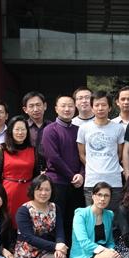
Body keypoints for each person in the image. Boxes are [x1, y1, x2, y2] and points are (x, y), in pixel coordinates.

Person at [15, 175, 75, 258]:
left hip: (47, 250)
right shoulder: (24, 210)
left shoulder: (55, 208)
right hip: (28, 252)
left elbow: (59, 231)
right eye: (39, 189)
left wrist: (60, 246)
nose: (43, 193)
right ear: (33, 190)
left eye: (47, 189)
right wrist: (55, 247)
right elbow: (29, 238)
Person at [41, 95, 85, 244]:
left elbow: (85, 155)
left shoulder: (79, 130)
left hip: (78, 183)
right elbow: (53, 157)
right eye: (63, 106)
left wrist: (81, 174)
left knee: (75, 220)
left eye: (70, 106)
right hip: (57, 183)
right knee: (58, 220)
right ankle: (59, 251)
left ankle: (75, 253)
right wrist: (72, 176)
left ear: (75, 108)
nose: (67, 109)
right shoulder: (50, 130)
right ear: (56, 109)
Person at [70, 182, 125, 258]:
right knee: (108, 256)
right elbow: (84, 243)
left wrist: (112, 250)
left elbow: (110, 241)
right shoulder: (81, 214)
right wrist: (107, 252)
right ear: (93, 196)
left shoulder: (109, 215)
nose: (102, 199)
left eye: (106, 196)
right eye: (99, 195)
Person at [77, 91, 125, 211]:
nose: (100, 108)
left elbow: (120, 153)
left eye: (103, 105)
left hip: (114, 181)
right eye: (96, 105)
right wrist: (93, 166)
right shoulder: (84, 128)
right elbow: (82, 154)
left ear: (110, 107)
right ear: (92, 107)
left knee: (113, 217)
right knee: (92, 217)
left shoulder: (118, 128)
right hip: (91, 181)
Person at [0, 115, 39, 225]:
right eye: (17, 129)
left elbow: (36, 175)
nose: (20, 132)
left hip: (27, 193)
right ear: (11, 131)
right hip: (8, 192)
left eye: (23, 129)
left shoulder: (33, 150)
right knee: (8, 224)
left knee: (26, 223)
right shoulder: (2, 149)